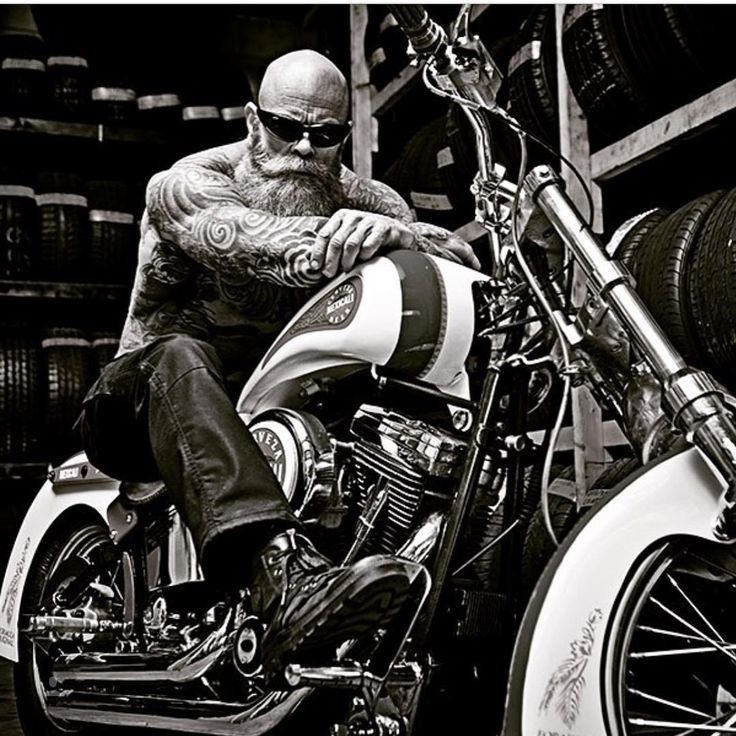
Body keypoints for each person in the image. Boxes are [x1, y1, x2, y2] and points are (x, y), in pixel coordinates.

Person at [79, 49, 479, 671]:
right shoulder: (187, 184)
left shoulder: (371, 201)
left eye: (323, 135)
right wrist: (358, 237)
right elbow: (252, 239)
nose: (302, 148)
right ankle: (281, 580)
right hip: (140, 409)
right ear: (251, 120)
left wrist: (405, 234)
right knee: (182, 354)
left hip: (272, 415)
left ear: (344, 135)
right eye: (286, 127)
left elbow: (454, 258)